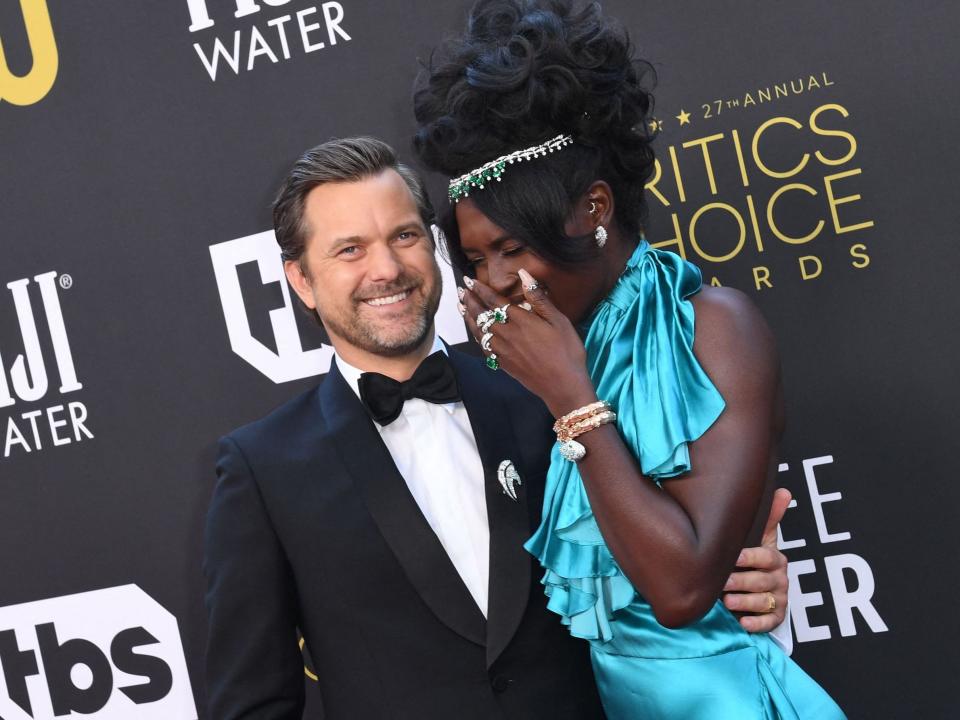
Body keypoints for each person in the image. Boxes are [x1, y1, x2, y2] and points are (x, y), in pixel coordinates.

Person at [203, 136, 792, 719]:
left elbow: (667, 562)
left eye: (403, 236)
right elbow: (252, 703)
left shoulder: (553, 393)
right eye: (349, 250)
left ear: (434, 245)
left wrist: (744, 581)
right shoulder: (263, 470)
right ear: (302, 280)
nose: (385, 269)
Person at [412, 1, 845, 718]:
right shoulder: (536, 356)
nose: (492, 282)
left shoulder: (715, 326)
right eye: (476, 257)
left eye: (512, 249)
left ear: (594, 208)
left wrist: (571, 401)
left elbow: (680, 590)